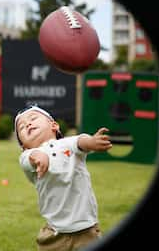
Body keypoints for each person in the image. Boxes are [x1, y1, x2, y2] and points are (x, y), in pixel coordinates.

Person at [14, 105, 112, 251]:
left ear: (54, 126)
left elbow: (80, 141)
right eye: (21, 127)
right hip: (53, 234)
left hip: (86, 230)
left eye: (34, 118)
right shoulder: (26, 155)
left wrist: (91, 142)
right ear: (23, 146)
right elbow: (32, 158)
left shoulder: (67, 144)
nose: (28, 124)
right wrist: (40, 157)